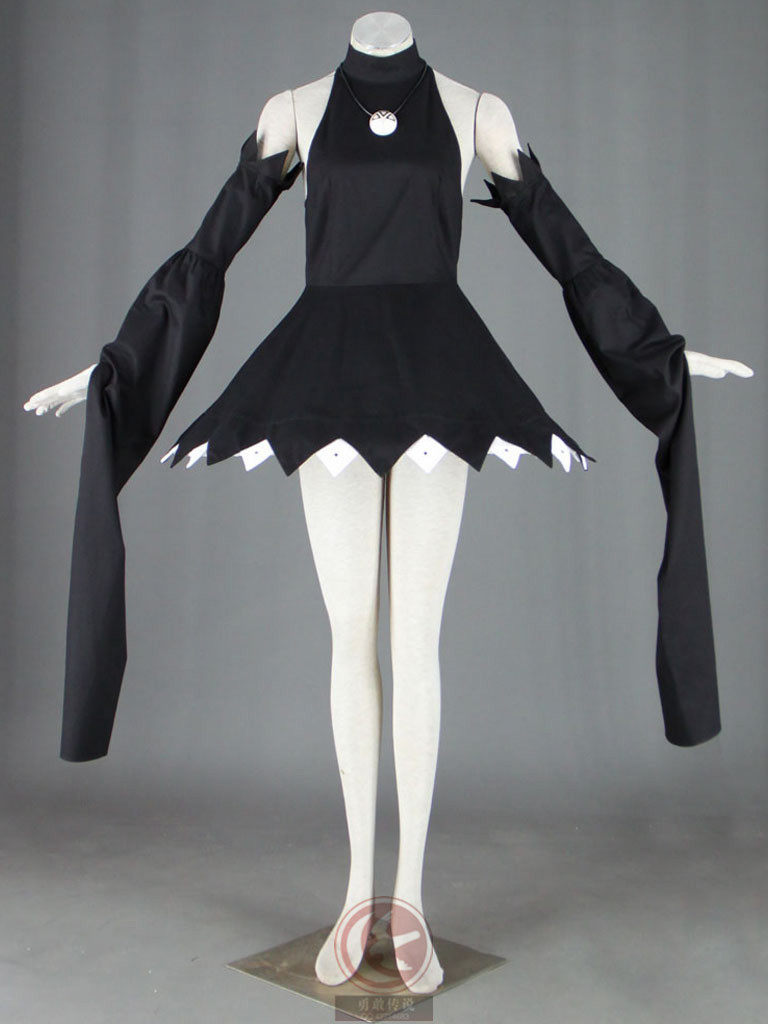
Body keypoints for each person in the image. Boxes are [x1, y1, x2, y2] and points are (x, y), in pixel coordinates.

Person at [22, 12, 753, 995]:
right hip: (322, 373)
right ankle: (355, 888)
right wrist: (119, 365)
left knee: (416, 642)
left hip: (440, 375)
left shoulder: (475, 111)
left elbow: (568, 252)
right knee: (349, 637)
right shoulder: (293, 111)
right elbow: (206, 257)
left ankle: (407, 893)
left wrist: (658, 353)